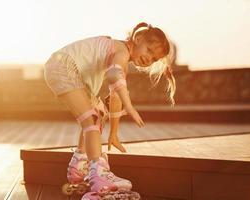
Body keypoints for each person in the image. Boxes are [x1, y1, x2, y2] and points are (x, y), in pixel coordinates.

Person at [44, 22, 176, 198]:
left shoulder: (121, 57)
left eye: (154, 59)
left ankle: (79, 167)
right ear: (137, 39)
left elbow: (115, 97)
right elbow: (114, 75)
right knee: (90, 120)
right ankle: (98, 175)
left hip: (65, 68)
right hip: (64, 67)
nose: (149, 59)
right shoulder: (121, 50)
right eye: (149, 50)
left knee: (98, 113)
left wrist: (114, 133)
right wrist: (130, 107)